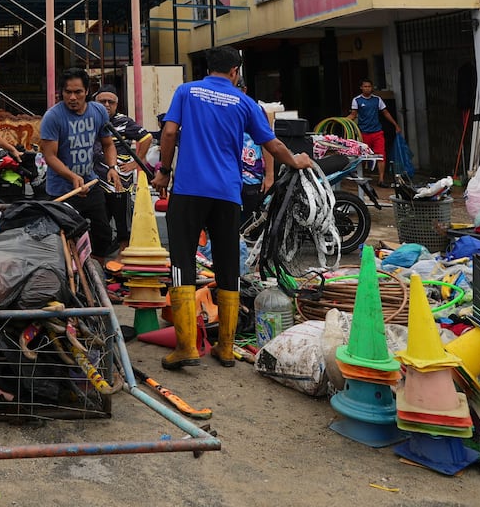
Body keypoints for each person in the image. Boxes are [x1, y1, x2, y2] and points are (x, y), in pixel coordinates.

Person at [152, 47, 315, 369]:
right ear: (235, 71)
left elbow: (169, 132)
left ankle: (186, 347)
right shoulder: (244, 102)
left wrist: (164, 171)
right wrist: (295, 161)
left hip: (188, 191)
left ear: (208, 68)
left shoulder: (187, 91)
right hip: (227, 193)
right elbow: (273, 144)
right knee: (228, 264)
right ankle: (225, 348)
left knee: (182, 260)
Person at [40, 68, 121, 256]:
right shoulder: (53, 117)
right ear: (62, 93)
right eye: (68, 92)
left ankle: (97, 276)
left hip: (91, 184)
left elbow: (108, 144)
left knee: (103, 235)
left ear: (87, 91)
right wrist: (72, 176)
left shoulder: (98, 111)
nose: (73, 97)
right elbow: (50, 156)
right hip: (62, 190)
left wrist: (112, 167)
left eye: (78, 92)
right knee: (63, 240)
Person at [93, 86, 150, 250]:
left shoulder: (124, 122)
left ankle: (123, 257)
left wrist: (137, 162)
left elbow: (146, 138)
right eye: (102, 101)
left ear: (116, 105)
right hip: (95, 181)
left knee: (123, 223)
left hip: (119, 183)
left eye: (110, 102)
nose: (106, 105)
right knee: (99, 223)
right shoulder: (89, 120)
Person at [348, 79, 400, 185]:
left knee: (381, 155)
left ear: (372, 88)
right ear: (361, 88)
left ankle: (381, 179)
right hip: (363, 133)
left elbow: (385, 113)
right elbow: (353, 115)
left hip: (377, 132)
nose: (367, 88)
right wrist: (343, 122)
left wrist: (395, 125)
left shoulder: (377, 100)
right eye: (365, 86)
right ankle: (360, 177)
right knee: (362, 156)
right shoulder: (356, 100)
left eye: (369, 86)